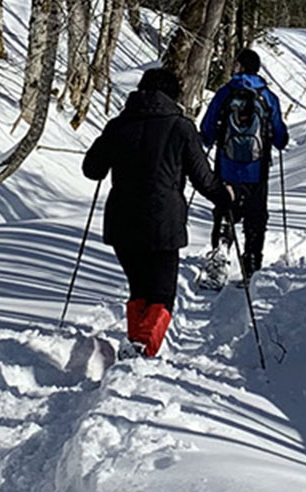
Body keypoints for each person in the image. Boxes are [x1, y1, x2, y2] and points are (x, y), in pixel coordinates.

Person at [83, 67, 234, 357]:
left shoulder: (118, 124)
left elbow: (92, 170)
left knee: (139, 288)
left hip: (122, 220)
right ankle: (142, 346)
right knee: (162, 293)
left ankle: (135, 343)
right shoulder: (181, 127)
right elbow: (203, 179)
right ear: (174, 94)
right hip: (163, 221)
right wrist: (224, 196)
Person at [198, 48, 289, 284]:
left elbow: (207, 130)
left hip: (226, 166)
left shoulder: (225, 93)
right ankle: (251, 265)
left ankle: (220, 253)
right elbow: (280, 137)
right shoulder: (267, 96)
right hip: (256, 169)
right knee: (255, 215)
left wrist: (208, 139)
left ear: (239, 65)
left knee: (224, 209)